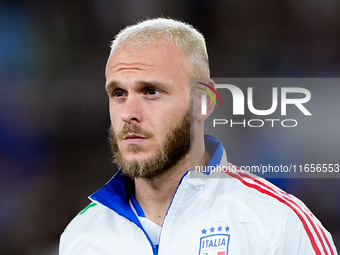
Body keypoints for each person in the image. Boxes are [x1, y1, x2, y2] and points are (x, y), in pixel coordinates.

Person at [59, 18, 338, 255]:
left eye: (151, 91)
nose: (128, 113)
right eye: (118, 93)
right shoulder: (81, 236)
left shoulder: (276, 224)